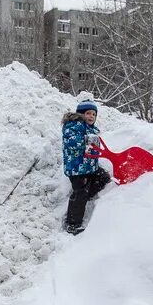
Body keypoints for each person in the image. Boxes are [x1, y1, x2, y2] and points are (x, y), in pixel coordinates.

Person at [62, 99, 111, 235]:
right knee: (80, 193)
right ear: (81, 114)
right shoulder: (73, 126)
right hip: (77, 168)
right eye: (88, 113)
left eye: (94, 114)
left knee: (104, 178)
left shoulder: (92, 129)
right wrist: (86, 140)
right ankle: (72, 224)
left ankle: (88, 196)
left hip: (90, 166)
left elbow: (94, 149)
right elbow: (71, 141)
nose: (91, 116)